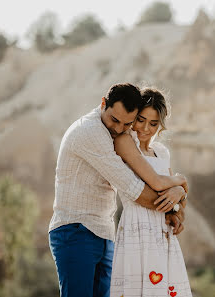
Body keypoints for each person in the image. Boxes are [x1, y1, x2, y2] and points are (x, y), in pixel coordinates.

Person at [49, 83, 186, 297]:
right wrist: (176, 197)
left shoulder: (123, 137)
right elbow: (136, 190)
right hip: (75, 229)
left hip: (103, 231)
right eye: (115, 120)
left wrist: (178, 196)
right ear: (103, 103)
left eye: (127, 123)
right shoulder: (91, 132)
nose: (119, 129)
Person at [110, 87, 192, 297]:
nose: (145, 128)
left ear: (160, 125)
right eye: (141, 119)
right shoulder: (124, 142)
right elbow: (157, 184)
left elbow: (175, 198)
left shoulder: (162, 152)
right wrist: (181, 181)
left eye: (153, 123)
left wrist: (179, 195)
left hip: (162, 232)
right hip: (136, 228)